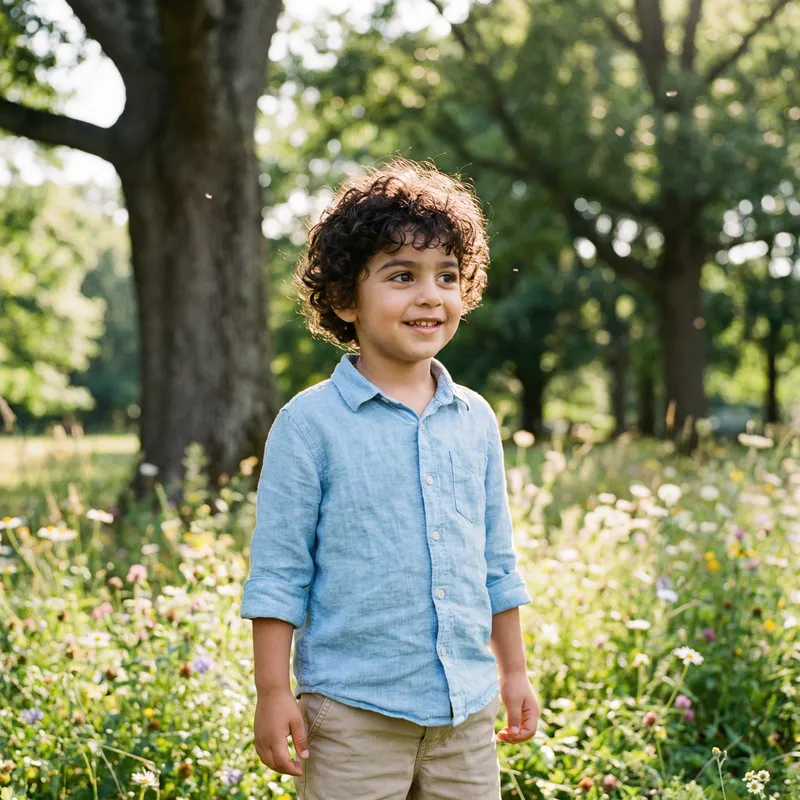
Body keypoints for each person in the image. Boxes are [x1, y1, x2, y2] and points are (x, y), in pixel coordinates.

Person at [240, 157, 540, 799]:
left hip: (465, 712)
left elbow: (496, 562)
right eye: (402, 275)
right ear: (345, 298)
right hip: (352, 717)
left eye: (446, 276)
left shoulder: (475, 419)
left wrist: (513, 671)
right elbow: (279, 575)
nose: (430, 295)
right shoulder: (309, 425)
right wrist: (272, 691)